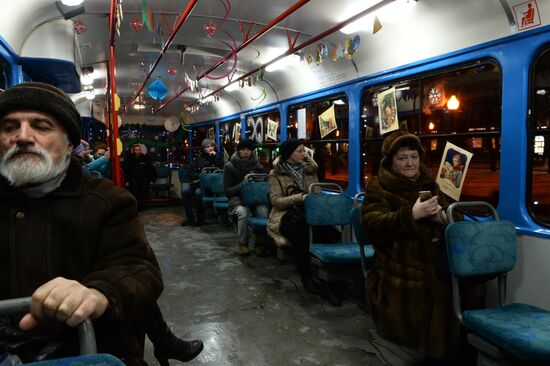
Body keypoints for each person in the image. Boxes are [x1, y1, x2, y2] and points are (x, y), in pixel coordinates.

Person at [0, 82, 202, 365]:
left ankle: (164, 341)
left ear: (69, 144)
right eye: (9, 127)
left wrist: (99, 292)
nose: (21, 137)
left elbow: (137, 267)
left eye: (41, 126)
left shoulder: (107, 201)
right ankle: (165, 341)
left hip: (93, 345)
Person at [360, 130, 477, 364]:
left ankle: (463, 347)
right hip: (398, 257)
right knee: (435, 285)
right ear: (391, 161)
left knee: (471, 280)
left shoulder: (429, 183)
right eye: (402, 158)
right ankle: (437, 352)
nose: (410, 163)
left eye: (413, 156)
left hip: (435, 250)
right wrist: (410, 215)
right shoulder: (379, 187)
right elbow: (372, 225)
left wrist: (441, 219)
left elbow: (452, 215)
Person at [267, 139, 340, 305]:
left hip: (309, 212)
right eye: (299, 151)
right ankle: (306, 276)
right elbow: (276, 201)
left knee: (330, 233)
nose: (303, 154)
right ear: (289, 154)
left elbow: (317, 192)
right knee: (302, 236)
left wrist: (315, 201)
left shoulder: (309, 170)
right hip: (286, 214)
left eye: (304, 151)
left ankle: (328, 281)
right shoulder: (276, 173)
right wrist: (301, 198)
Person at [223, 138, 268, 256]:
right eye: (243, 149)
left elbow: (263, 184)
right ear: (239, 151)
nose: (246, 152)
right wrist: (242, 185)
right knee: (243, 213)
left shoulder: (258, 166)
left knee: (263, 211)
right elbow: (227, 191)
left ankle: (260, 243)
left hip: (254, 198)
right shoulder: (230, 166)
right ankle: (242, 243)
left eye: (249, 149)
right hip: (237, 198)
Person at [181, 138, 224, 226]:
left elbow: (221, 169)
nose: (210, 148)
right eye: (207, 147)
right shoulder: (199, 159)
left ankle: (200, 219)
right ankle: (190, 218)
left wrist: (215, 157)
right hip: (197, 182)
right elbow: (191, 172)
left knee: (198, 193)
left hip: (210, 185)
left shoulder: (218, 157)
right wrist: (200, 175)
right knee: (184, 191)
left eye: (211, 146)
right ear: (203, 149)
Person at [122, 143, 156, 210]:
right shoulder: (129, 159)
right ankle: (135, 207)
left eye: (139, 150)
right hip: (133, 179)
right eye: (136, 150)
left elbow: (151, 169)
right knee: (134, 192)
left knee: (143, 192)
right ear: (133, 150)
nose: (138, 151)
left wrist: (152, 179)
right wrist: (126, 180)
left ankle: (142, 207)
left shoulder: (144, 158)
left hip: (144, 179)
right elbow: (126, 170)